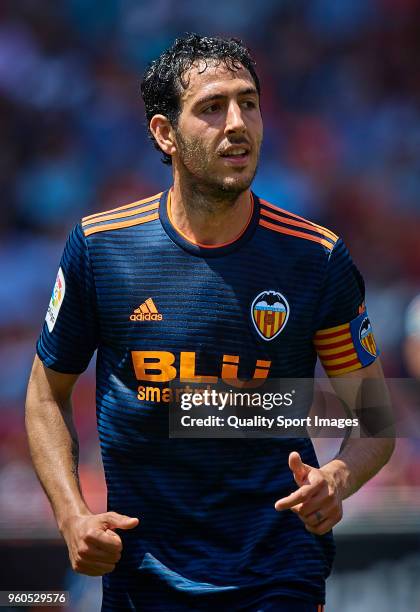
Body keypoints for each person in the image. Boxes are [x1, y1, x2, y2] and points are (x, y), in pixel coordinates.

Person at [25, 34, 394, 611]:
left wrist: (339, 476)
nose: (237, 124)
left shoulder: (316, 258)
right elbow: (46, 395)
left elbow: (375, 419)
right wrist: (72, 515)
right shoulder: (101, 249)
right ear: (164, 134)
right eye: (211, 107)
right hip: (142, 573)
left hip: (277, 570)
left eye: (249, 103)